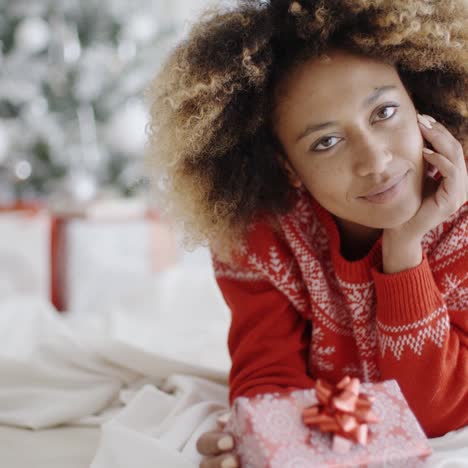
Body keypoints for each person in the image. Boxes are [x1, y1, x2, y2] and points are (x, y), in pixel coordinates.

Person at [145, 0, 468, 466]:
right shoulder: (259, 233)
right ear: (287, 167)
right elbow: (269, 373)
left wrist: (404, 248)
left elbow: (434, 414)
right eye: (326, 142)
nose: (375, 161)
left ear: (419, 99)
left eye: (385, 112)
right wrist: (261, 435)